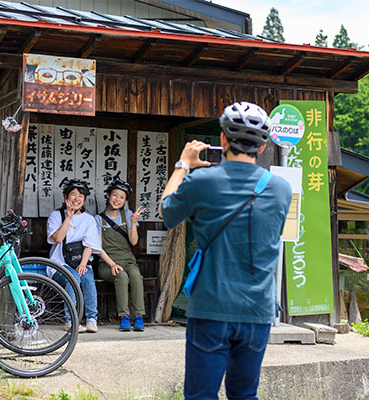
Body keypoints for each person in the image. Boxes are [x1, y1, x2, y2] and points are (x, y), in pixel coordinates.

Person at [160, 102, 292, 399]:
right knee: (244, 395)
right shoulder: (281, 189)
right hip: (258, 310)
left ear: (222, 140)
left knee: (201, 395)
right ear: (262, 147)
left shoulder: (201, 181)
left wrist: (183, 165)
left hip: (211, 307)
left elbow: (167, 214)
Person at [47, 178, 101, 333]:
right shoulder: (56, 216)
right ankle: (71, 320)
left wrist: (83, 264)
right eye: (73, 194)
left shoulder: (89, 220)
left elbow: (89, 245)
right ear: (66, 197)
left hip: (80, 262)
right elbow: (57, 239)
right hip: (58, 265)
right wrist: (68, 217)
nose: (77, 199)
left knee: (87, 277)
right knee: (73, 277)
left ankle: (92, 319)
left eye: (81, 196)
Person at [95, 179, 147, 332]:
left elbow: (134, 241)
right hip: (107, 263)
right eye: (115, 195)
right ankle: (124, 317)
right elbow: (97, 248)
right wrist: (111, 264)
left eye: (122, 197)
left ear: (125, 201)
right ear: (107, 195)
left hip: (128, 260)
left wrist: (133, 223)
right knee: (122, 276)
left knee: (137, 276)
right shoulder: (98, 219)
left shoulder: (128, 215)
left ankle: (138, 317)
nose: (117, 199)